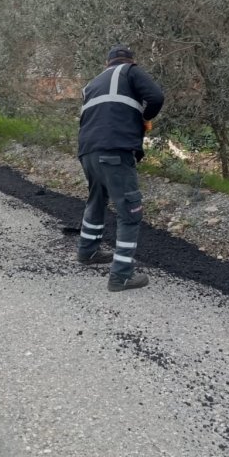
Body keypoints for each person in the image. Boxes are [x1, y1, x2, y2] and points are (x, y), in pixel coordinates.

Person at [77, 45, 164, 292]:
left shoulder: (92, 84)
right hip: (115, 150)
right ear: (129, 61)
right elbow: (156, 97)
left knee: (96, 199)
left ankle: (87, 251)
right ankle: (121, 276)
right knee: (130, 211)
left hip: (87, 151)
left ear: (107, 64)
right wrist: (144, 119)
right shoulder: (130, 72)